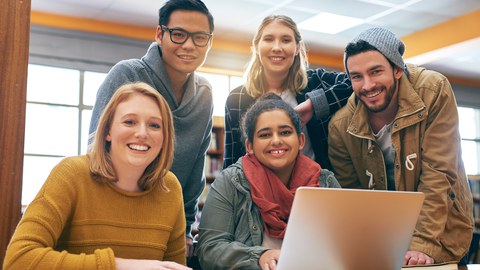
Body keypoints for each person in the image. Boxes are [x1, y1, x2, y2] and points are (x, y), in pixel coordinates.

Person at [3, 82, 190, 270]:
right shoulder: (71, 173)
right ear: (108, 131)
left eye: (154, 125)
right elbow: (18, 260)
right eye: (129, 122)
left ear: (165, 136)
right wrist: (120, 266)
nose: (142, 133)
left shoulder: (170, 188)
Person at [328, 27, 474, 266]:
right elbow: (353, 197)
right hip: (384, 241)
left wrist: (422, 243)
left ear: (397, 69)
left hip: (442, 233)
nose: (367, 85)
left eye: (376, 71)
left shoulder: (433, 91)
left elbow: (438, 173)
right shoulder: (340, 127)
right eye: (356, 76)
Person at [88, 0, 214, 255]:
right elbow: (95, 151)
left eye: (200, 37)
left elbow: (194, 174)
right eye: (178, 34)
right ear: (159, 34)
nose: (189, 45)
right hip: (112, 220)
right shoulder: (126, 75)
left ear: (209, 42)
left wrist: (187, 228)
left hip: (165, 227)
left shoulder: (205, 94)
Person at [197, 94, 341, 270]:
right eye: (265, 135)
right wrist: (259, 256)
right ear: (250, 146)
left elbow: (342, 246)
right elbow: (209, 249)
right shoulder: (230, 182)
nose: (276, 140)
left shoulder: (325, 182)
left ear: (301, 140)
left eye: (285, 132)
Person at [223, 14, 352, 170]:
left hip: (314, 186)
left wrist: (313, 105)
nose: (277, 48)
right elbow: (232, 160)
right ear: (257, 46)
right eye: (269, 39)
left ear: (297, 47)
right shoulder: (237, 98)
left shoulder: (316, 82)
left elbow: (355, 80)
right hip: (259, 191)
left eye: (286, 40)